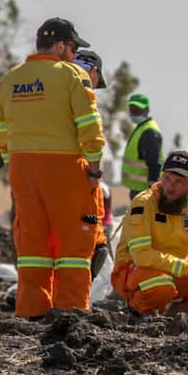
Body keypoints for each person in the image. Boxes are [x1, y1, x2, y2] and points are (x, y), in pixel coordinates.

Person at [0, 17, 104, 318]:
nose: (74, 54)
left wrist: (6, 157)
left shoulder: (10, 79)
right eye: (72, 48)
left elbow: (0, 130)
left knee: (32, 243)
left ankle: (32, 311)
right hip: (64, 167)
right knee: (73, 245)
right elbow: (90, 126)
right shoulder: (72, 75)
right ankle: (70, 312)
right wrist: (94, 170)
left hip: (22, 168)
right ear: (59, 46)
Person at [111, 151, 188, 315]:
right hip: (134, 270)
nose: (170, 187)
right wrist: (187, 269)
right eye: (166, 178)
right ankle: (136, 308)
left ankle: (184, 311)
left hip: (172, 271)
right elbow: (142, 255)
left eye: (178, 181)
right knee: (160, 286)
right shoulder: (144, 203)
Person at [73, 49, 112, 278]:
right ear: (94, 72)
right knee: (94, 247)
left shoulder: (52, 86)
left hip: (37, 174)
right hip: (80, 177)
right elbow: (93, 139)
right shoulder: (82, 92)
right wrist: (95, 173)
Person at [122, 93, 163, 199]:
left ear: (146, 110)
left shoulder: (149, 131)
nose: (133, 112)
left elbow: (154, 164)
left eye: (137, 109)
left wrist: (152, 190)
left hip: (144, 191)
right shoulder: (142, 128)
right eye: (132, 109)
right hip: (138, 189)